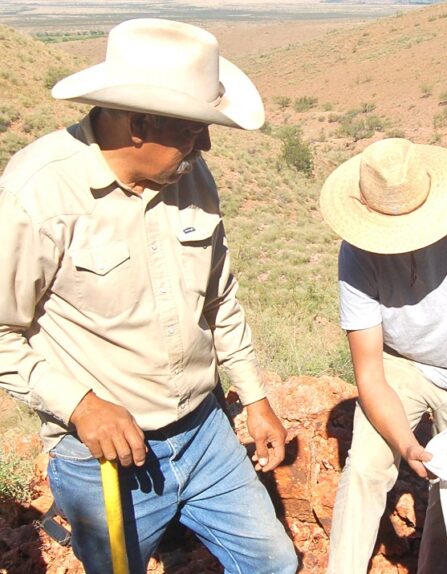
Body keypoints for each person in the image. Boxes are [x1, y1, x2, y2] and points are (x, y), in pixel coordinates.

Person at [0, 18, 297, 573]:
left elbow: (219, 298)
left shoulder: (190, 174)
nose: (205, 144)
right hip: (104, 460)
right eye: (191, 130)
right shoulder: (38, 193)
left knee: (273, 562)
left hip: (205, 433)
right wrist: (82, 406)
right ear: (137, 124)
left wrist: (254, 398)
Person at [319, 137, 447, 572]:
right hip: (400, 363)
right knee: (366, 470)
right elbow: (370, 372)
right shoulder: (357, 253)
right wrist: (405, 444)